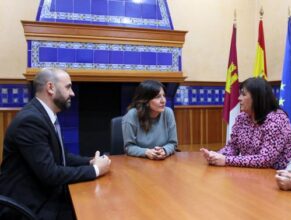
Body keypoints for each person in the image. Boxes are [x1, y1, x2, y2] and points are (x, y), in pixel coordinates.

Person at [0, 68, 111, 219]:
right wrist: (96, 170)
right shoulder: (30, 121)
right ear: (50, 88)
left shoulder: (45, 114)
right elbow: (51, 174)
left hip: (45, 194)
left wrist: (90, 161)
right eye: (68, 87)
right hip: (31, 205)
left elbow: (61, 157)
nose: (72, 93)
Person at [200, 77, 291, 169]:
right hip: (252, 173)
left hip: (278, 176)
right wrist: (215, 156)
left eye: (243, 94)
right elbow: (233, 147)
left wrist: (226, 160)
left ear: (257, 98)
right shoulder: (242, 118)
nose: (239, 98)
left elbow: (265, 159)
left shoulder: (277, 120)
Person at [122, 80, 177, 160]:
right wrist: (146, 152)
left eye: (163, 96)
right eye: (158, 97)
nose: (163, 101)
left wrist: (164, 150)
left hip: (162, 162)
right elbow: (128, 147)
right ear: (146, 100)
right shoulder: (132, 115)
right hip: (138, 163)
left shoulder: (168, 113)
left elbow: (173, 143)